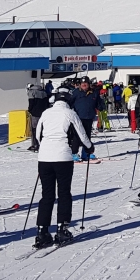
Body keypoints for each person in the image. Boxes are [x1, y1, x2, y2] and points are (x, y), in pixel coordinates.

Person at [33, 86, 93, 248]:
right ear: (68, 100)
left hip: (44, 158)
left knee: (47, 195)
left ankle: (42, 231)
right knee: (64, 193)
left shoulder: (46, 113)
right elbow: (82, 135)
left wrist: (45, 147)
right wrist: (89, 147)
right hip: (63, 158)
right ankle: (62, 228)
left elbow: (38, 135)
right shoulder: (70, 114)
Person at [69, 77, 100, 162]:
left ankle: (86, 153)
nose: (84, 85)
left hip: (89, 117)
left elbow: (98, 102)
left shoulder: (94, 93)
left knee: (87, 136)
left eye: (85, 83)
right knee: (77, 136)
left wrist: (101, 106)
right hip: (78, 118)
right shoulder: (76, 92)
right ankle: (74, 153)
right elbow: (69, 102)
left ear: (89, 84)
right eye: (82, 83)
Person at [26, 83, 48, 152]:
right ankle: (42, 144)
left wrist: (30, 110)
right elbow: (46, 103)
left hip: (35, 114)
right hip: (43, 113)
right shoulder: (43, 92)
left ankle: (35, 145)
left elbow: (31, 102)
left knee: (34, 129)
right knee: (42, 129)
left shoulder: (31, 92)